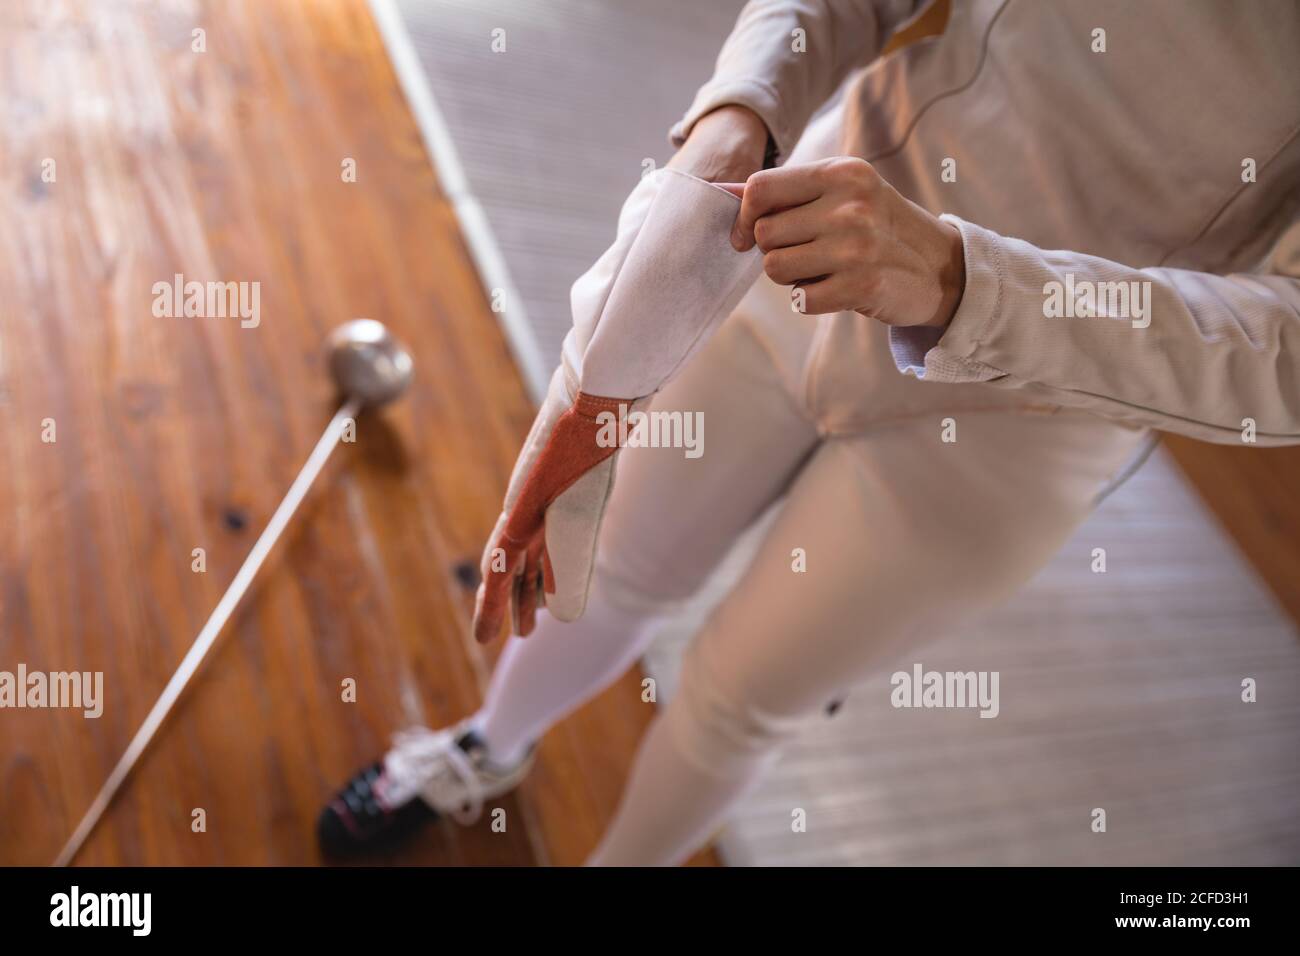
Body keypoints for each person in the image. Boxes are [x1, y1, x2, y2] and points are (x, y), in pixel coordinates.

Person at [318, 0, 1300, 864]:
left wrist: (967, 281)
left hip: (1046, 403)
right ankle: (489, 742)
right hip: (814, 221)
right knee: (607, 555)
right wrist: (742, 105)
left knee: (736, 702)